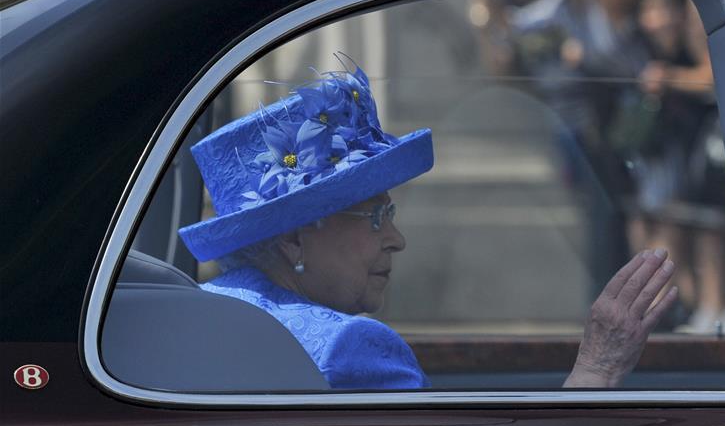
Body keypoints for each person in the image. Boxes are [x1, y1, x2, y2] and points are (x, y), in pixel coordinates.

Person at [178, 59, 678, 389]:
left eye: (391, 215)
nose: (397, 240)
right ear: (291, 238)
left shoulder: (203, 314)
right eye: (376, 217)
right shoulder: (350, 350)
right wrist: (596, 370)